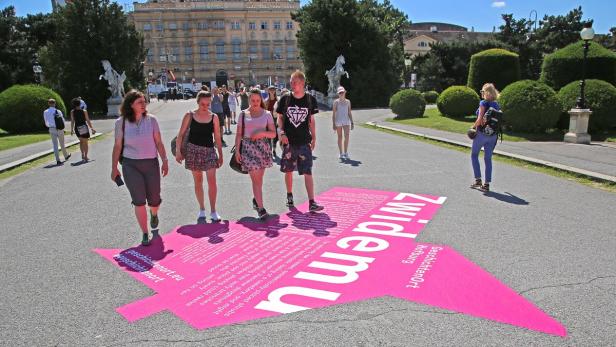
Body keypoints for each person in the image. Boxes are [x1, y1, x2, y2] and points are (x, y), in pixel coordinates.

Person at [111, 90, 169, 246]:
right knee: (138, 201)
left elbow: (158, 142)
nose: (144, 105)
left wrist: (165, 160)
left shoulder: (152, 120)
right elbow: (117, 147)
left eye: (144, 101)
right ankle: (145, 232)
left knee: (154, 199)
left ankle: (154, 214)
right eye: (140, 102)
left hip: (151, 163)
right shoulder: (120, 122)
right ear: (131, 105)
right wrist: (114, 168)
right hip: (131, 165)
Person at [276, 70, 324, 212]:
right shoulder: (285, 99)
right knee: (288, 171)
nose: (292, 84)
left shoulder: (310, 100)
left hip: (304, 141)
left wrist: (314, 137)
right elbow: (279, 117)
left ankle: (312, 202)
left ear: (302, 83)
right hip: (289, 141)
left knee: (308, 171)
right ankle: (289, 195)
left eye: (295, 82)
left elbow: (311, 120)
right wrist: (281, 132)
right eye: (291, 82)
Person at [175, 91, 224, 222]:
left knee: (212, 181)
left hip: (209, 151)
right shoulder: (189, 115)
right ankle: (202, 209)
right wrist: (178, 151)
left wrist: (221, 154)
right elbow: (180, 135)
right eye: (203, 104)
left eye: (208, 104)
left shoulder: (214, 117)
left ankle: (213, 211)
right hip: (193, 151)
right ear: (197, 102)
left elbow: (218, 137)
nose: (205, 106)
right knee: (198, 181)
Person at [234, 89, 277, 219]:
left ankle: (256, 200)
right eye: (253, 100)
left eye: (258, 100)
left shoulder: (267, 114)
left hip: (263, 148)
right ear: (249, 100)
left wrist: (261, 133)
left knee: (259, 179)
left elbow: (273, 133)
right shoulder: (243, 114)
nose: (255, 103)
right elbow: (238, 134)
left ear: (261, 100)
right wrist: (237, 150)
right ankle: (261, 208)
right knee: (255, 179)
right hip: (248, 148)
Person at [470, 83, 501, 192]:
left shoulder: (483, 103)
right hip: (493, 135)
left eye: (482, 91)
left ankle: (478, 180)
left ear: (486, 93)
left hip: (481, 134)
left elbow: (479, 119)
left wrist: (472, 127)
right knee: (488, 159)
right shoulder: (497, 105)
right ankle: (486, 184)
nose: (482, 94)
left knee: (474, 155)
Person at [43, 98, 71, 165]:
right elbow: (62, 120)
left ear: (48, 103)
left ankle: (58, 160)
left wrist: (49, 126)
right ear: (55, 103)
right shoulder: (58, 111)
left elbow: (46, 121)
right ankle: (66, 156)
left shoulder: (45, 111)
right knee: (62, 143)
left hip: (51, 128)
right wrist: (63, 128)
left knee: (55, 145)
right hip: (59, 128)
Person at [69, 97, 95, 162]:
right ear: (80, 103)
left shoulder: (72, 112)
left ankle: (82, 154)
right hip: (83, 127)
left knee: (81, 141)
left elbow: (72, 121)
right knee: (85, 142)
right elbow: (88, 120)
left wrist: (71, 129)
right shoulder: (84, 111)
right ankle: (86, 156)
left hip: (77, 128)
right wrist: (92, 128)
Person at [332, 86, 354, 161]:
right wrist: (333, 124)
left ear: (345, 92)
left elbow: (349, 112)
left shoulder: (348, 102)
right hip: (338, 121)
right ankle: (341, 153)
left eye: (342, 92)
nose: (341, 93)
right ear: (338, 94)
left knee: (347, 136)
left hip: (346, 121)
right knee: (340, 137)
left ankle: (346, 152)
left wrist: (352, 122)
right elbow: (334, 114)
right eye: (340, 92)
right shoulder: (336, 102)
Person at [266, 85, 279, 158]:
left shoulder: (278, 100)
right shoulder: (266, 100)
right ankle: (269, 150)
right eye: (270, 90)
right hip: (268, 120)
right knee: (268, 136)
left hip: (275, 119)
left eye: (273, 90)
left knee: (275, 136)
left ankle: (274, 149)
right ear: (268, 91)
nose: (272, 91)